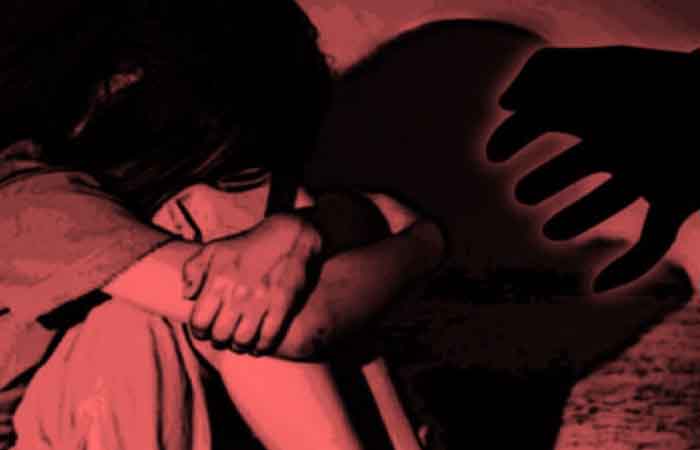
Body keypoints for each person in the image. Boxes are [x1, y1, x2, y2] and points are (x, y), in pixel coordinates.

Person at [0, 1, 446, 449]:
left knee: (235, 248)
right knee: (143, 320)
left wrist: (308, 227)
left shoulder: (176, 205)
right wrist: (424, 243)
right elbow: (292, 328)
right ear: (126, 79)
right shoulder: (25, 196)